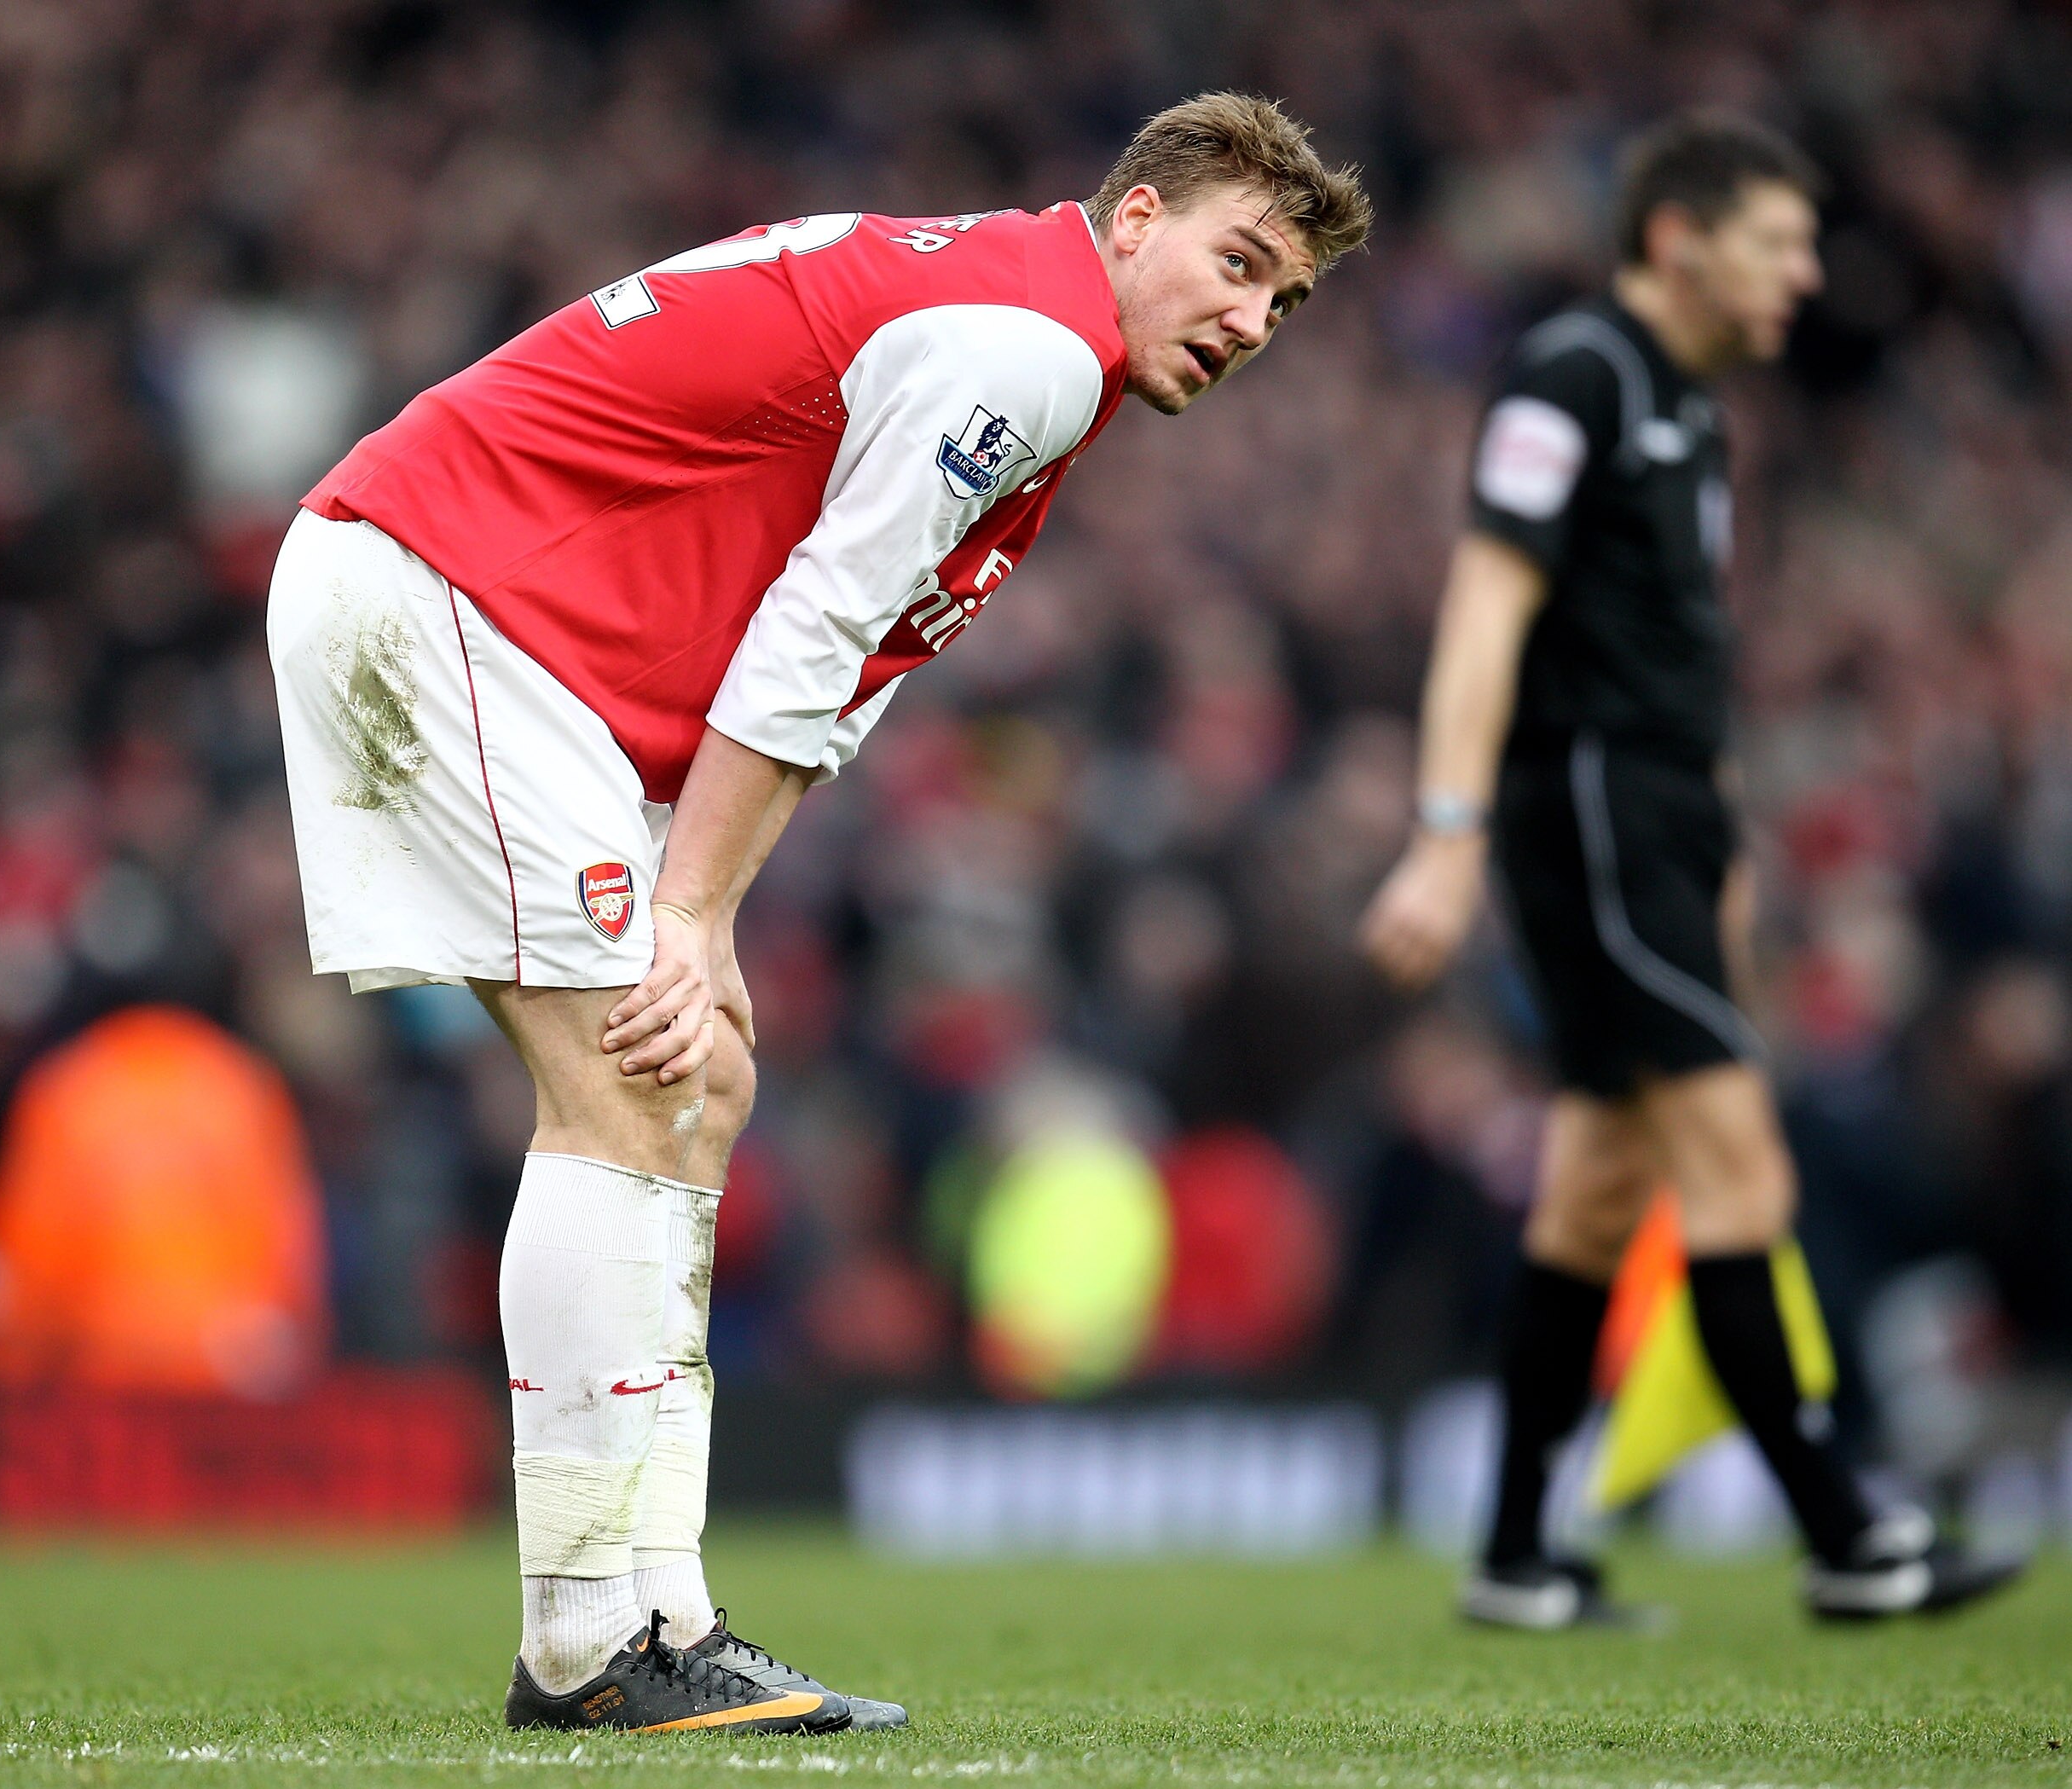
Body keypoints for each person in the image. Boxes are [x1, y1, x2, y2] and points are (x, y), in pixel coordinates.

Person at [271, 92, 1368, 1730]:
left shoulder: (1021, 332)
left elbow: (834, 671)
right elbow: (807, 635)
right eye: (1238, 261)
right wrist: (691, 908)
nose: (1251, 319)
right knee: (635, 1074)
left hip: (514, 637)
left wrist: (703, 910)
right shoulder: (1027, 347)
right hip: (446, 600)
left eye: (1282, 301)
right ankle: (591, 1637)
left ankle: (658, 1607)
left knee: (699, 1076)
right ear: (1133, 218)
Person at [1361, 112, 2021, 1627]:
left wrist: (1718, 837)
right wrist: (1447, 836)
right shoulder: (1577, 371)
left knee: (1599, 1189)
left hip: (1660, 822)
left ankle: (1519, 1552)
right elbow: (1485, 603)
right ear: (1678, 239)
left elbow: (1675, 658)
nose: (1805, 273)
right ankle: (1850, 1531)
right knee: (1742, 1161)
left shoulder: (1693, 405)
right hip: (1587, 810)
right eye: (1779, 241)